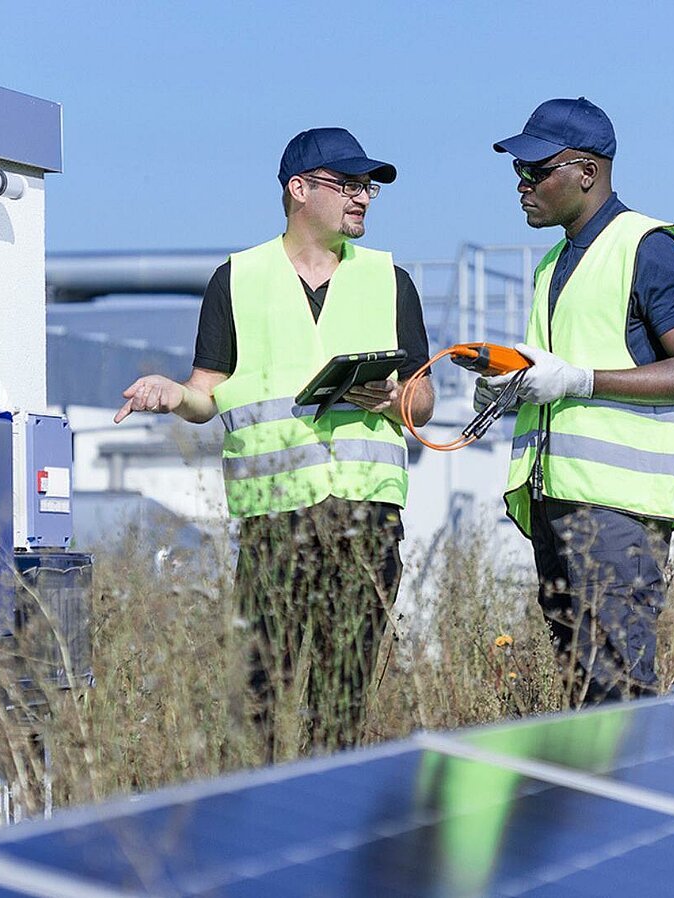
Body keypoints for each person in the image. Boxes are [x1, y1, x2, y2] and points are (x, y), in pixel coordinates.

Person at [114, 127, 435, 756]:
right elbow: (207, 392)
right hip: (274, 523)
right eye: (349, 185)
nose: (363, 198)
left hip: (366, 519)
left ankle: (330, 824)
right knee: (259, 702)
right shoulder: (235, 279)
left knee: (343, 705)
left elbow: (423, 398)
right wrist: (174, 394)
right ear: (299, 190)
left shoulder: (389, 279)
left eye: (368, 187)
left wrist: (393, 398)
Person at [478, 97, 674, 704]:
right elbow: (561, 377)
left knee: (616, 696)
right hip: (558, 505)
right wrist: (511, 389)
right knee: (586, 697)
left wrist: (580, 380)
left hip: (617, 515)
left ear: (587, 171)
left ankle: (627, 800)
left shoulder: (647, 246)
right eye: (518, 171)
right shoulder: (553, 264)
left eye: (537, 170)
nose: (522, 184)